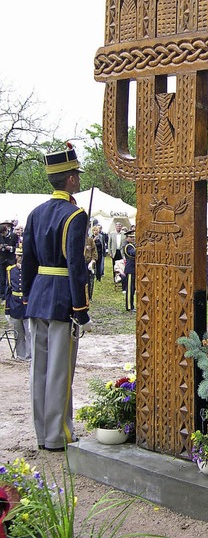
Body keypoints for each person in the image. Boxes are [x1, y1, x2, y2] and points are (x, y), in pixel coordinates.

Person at [22, 144, 91, 452]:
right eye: (76, 174)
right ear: (71, 179)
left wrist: (27, 297)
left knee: (40, 371)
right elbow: (76, 266)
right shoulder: (75, 215)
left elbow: (27, 262)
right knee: (60, 373)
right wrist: (82, 309)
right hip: (63, 299)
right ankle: (58, 435)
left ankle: (42, 434)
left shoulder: (35, 213)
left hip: (37, 297)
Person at [4, 246, 31, 361]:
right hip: (15, 304)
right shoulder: (11, 270)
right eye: (17, 255)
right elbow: (8, 291)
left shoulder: (29, 270)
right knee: (18, 332)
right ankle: (20, 355)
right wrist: (7, 310)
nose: (19, 258)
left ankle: (30, 355)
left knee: (29, 332)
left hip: (26, 304)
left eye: (21, 255)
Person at [122, 229, 136, 312]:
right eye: (131, 237)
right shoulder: (128, 246)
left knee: (132, 289)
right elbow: (132, 253)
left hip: (132, 269)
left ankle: (131, 305)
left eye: (133, 237)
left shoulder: (131, 245)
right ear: (127, 238)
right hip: (130, 269)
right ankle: (129, 306)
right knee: (130, 289)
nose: (133, 238)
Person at [84, 234, 98, 300]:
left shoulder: (90, 240)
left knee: (89, 280)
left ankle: (89, 296)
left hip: (88, 262)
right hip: (79, 263)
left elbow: (94, 251)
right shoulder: (75, 238)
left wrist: (93, 260)